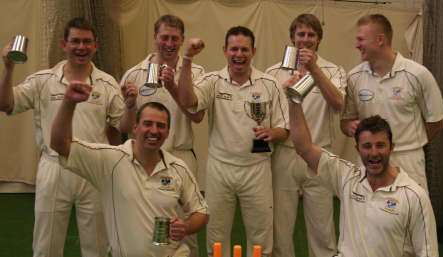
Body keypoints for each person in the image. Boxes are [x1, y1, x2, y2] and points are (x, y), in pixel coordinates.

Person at [0, 17, 124, 257]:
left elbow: (123, 124)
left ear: (96, 45)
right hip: (54, 166)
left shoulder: (107, 83)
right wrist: (8, 67)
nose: (81, 47)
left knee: (97, 247)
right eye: (75, 41)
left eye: (87, 42)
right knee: (46, 246)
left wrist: (130, 104)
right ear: (63, 44)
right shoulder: (43, 80)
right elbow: (5, 104)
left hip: (93, 168)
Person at [50, 87, 209, 257]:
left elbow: (201, 212)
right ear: (135, 128)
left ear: (168, 132)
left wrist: (186, 227)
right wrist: (69, 103)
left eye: (161, 126)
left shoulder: (178, 167)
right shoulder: (109, 161)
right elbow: (60, 144)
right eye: (147, 124)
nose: (154, 131)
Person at [177, 26, 289, 257]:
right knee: (216, 234)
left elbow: (285, 128)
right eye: (234, 49)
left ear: (253, 51)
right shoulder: (213, 80)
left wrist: (272, 133)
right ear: (225, 51)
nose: (239, 54)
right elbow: (188, 101)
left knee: (260, 236)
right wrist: (187, 59)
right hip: (220, 168)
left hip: (256, 169)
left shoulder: (269, 84)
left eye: (244, 49)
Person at [286, 87, 439, 257]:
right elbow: (304, 148)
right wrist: (294, 100)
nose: (374, 153)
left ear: (391, 148)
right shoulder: (347, 178)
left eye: (380, 145)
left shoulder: (413, 196)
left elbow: (428, 253)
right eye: (367, 146)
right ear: (357, 149)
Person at [119, 14, 206, 257]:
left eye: (174, 38)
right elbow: (124, 127)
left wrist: (173, 88)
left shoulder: (195, 71)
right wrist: (129, 103)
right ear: (155, 37)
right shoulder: (134, 74)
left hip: (180, 155)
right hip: (141, 160)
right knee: (141, 224)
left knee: (185, 228)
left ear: (182, 40)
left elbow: (197, 116)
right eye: (164, 37)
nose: (169, 43)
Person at [265, 13, 346, 257]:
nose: (306, 39)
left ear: (319, 40)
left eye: (312, 35)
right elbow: (265, 112)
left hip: (319, 154)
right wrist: (283, 88)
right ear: (292, 38)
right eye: (301, 34)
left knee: (322, 228)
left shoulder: (334, 70)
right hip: (285, 153)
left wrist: (314, 68)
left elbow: (339, 104)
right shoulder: (273, 71)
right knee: (281, 226)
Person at [341, 14, 443, 192]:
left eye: (361, 39)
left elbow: (436, 121)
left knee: (412, 217)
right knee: (370, 217)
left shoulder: (418, 74)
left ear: (380, 39)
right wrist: (349, 126)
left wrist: (411, 142)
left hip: (408, 161)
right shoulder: (354, 77)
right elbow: (344, 122)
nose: (357, 45)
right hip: (369, 162)